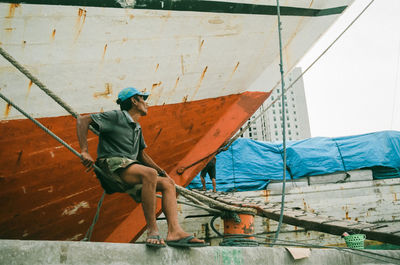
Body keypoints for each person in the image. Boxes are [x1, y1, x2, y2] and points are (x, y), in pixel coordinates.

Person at [77, 87, 206, 248]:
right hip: (111, 165)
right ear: (134, 101)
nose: (147, 104)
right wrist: (84, 151)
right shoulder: (116, 116)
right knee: (149, 174)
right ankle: (152, 230)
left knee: (168, 184)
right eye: (143, 99)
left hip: (128, 168)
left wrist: (163, 172)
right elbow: (83, 120)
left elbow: (141, 155)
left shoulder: (137, 127)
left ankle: (175, 232)